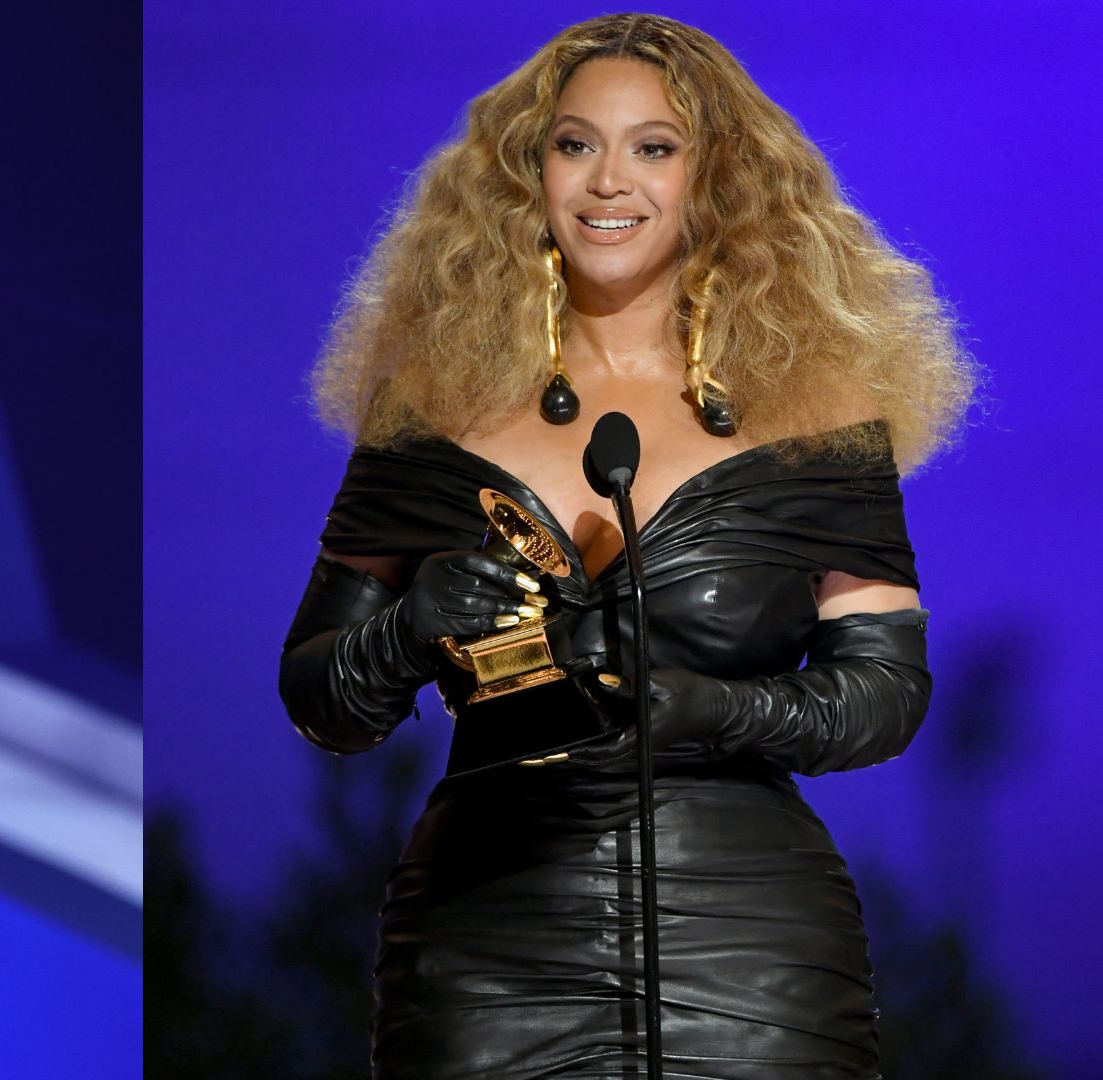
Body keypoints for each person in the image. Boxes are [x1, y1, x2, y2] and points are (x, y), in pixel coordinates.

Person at [278, 13, 972, 1078]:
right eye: (575, 145)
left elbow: (886, 694)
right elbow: (320, 695)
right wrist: (409, 632)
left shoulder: (817, 408)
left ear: (716, 178)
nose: (609, 181)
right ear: (528, 172)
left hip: (746, 946)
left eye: (654, 147)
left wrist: (707, 710)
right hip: (485, 939)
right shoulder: (429, 405)